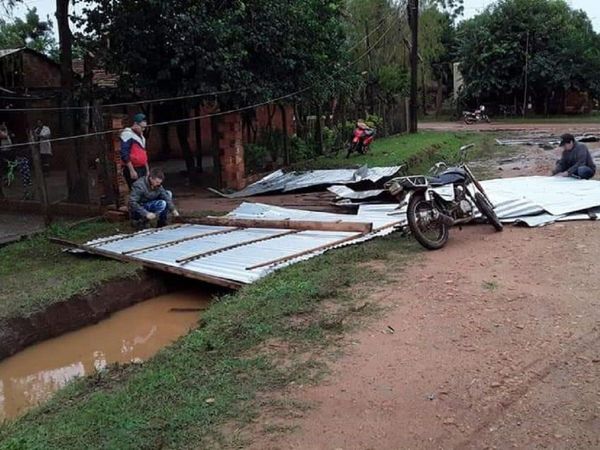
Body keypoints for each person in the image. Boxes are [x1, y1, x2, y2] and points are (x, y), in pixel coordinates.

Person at [120, 113, 149, 189]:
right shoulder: (127, 134)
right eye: (141, 127)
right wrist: (131, 170)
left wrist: (147, 170)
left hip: (142, 168)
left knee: (144, 190)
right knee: (137, 191)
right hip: (134, 168)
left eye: (144, 128)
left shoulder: (141, 136)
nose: (143, 129)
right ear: (135, 124)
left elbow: (144, 154)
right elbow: (124, 154)